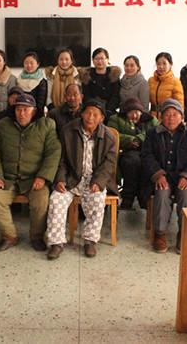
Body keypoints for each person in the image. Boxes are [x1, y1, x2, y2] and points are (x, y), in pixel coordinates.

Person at [0, 94, 61, 252]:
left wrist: (42, 177)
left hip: (34, 179)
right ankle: (9, 235)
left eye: (26, 110)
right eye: (18, 109)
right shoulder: (2, 125)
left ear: (34, 111)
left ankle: (37, 236)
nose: (22, 113)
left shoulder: (46, 125)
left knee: (42, 201)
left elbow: (53, 153)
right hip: (7, 179)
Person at [46, 99, 118, 260]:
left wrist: (99, 182)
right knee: (56, 200)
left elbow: (108, 165)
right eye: (87, 113)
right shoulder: (68, 131)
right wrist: (60, 179)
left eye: (95, 114)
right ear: (82, 114)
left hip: (94, 180)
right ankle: (56, 243)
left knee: (98, 200)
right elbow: (61, 160)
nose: (90, 117)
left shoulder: (108, 137)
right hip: (71, 179)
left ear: (102, 118)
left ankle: (90, 241)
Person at [141, 99, 187, 254]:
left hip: (184, 176)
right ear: (161, 117)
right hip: (162, 176)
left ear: (182, 117)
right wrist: (158, 174)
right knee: (162, 192)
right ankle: (160, 233)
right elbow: (146, 156)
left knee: (186, 194)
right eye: (167, 114)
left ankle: (184, 233)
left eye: (175, 114)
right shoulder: (152, 133)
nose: (171, 118)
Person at [107, 97, 159, 210]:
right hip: (124, 152)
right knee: (132, 162)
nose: (135, 116)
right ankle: (128, 199)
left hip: (147, 152)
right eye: (131, 113)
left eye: (137, 112)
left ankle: (143, 199)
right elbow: (112, 135)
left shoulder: (150, 119)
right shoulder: (115, 119)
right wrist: (131, 140)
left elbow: (156, 132)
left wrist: (140, 138)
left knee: (146, 164)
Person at [79, 47, 121, 118]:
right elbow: (85, 96)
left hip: (109, 112)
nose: (99, 61)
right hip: (92, 112)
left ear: (107, 59)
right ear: (93, 60)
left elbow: (115, 96)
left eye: (102, 58)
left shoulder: (114, 76)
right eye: (97, 59)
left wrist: (107, 110)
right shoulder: (87, 76)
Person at [148, 52, 184, 118]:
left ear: (170, 64)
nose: (161, 67)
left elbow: (179, 104)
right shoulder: (151, 81)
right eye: (158, 64)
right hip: (152, 117)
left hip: (168, 118)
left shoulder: (175, 82)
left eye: (164, 64)